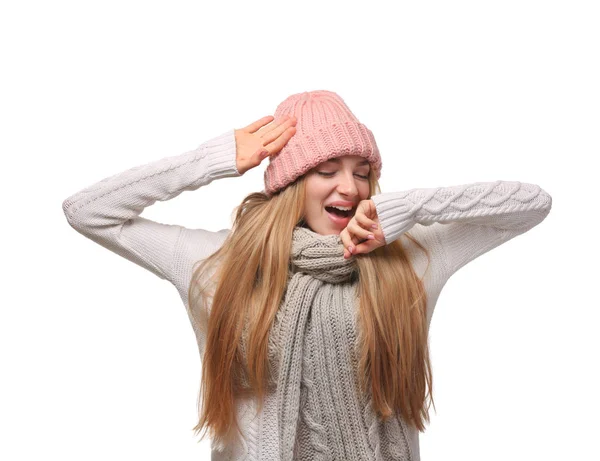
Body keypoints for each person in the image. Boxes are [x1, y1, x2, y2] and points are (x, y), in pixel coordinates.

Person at [62, 90, 552, 461]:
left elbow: (532, 205)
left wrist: (411, 208)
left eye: (362, 171)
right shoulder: (219, 266)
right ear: (290, 183)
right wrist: (210, 161)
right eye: (327, 170)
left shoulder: (409, 261)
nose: (351, 186)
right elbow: (89, 212)